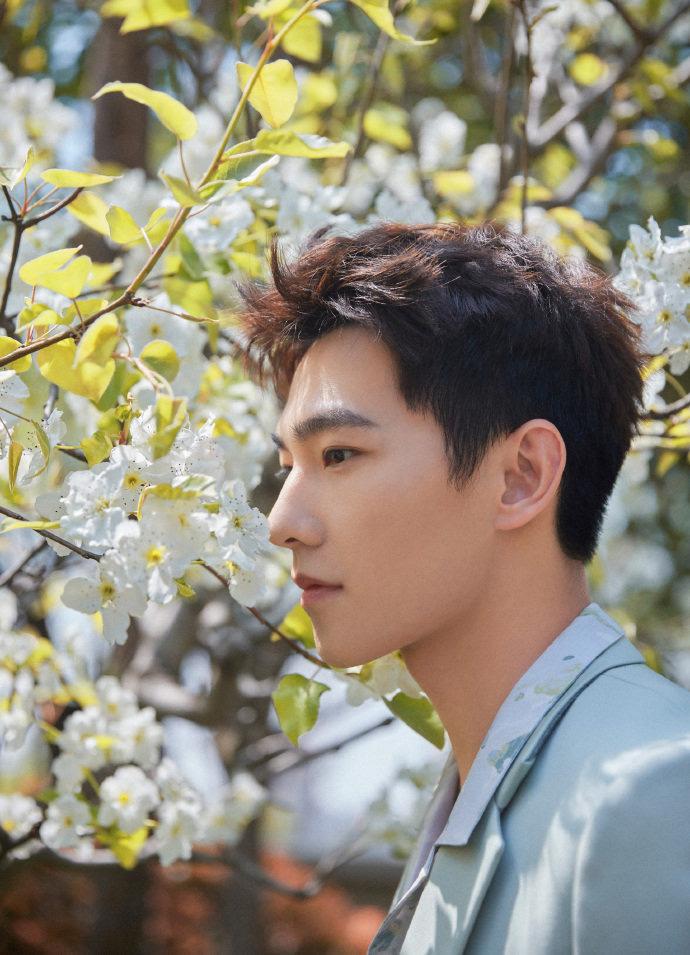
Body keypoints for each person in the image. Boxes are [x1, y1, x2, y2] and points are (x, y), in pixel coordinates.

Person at [234, 221, 690, 954]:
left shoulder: (650, 790)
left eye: (339, 454)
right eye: (290, 465)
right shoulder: (484, 794)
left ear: (521, 476)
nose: (282, 523)